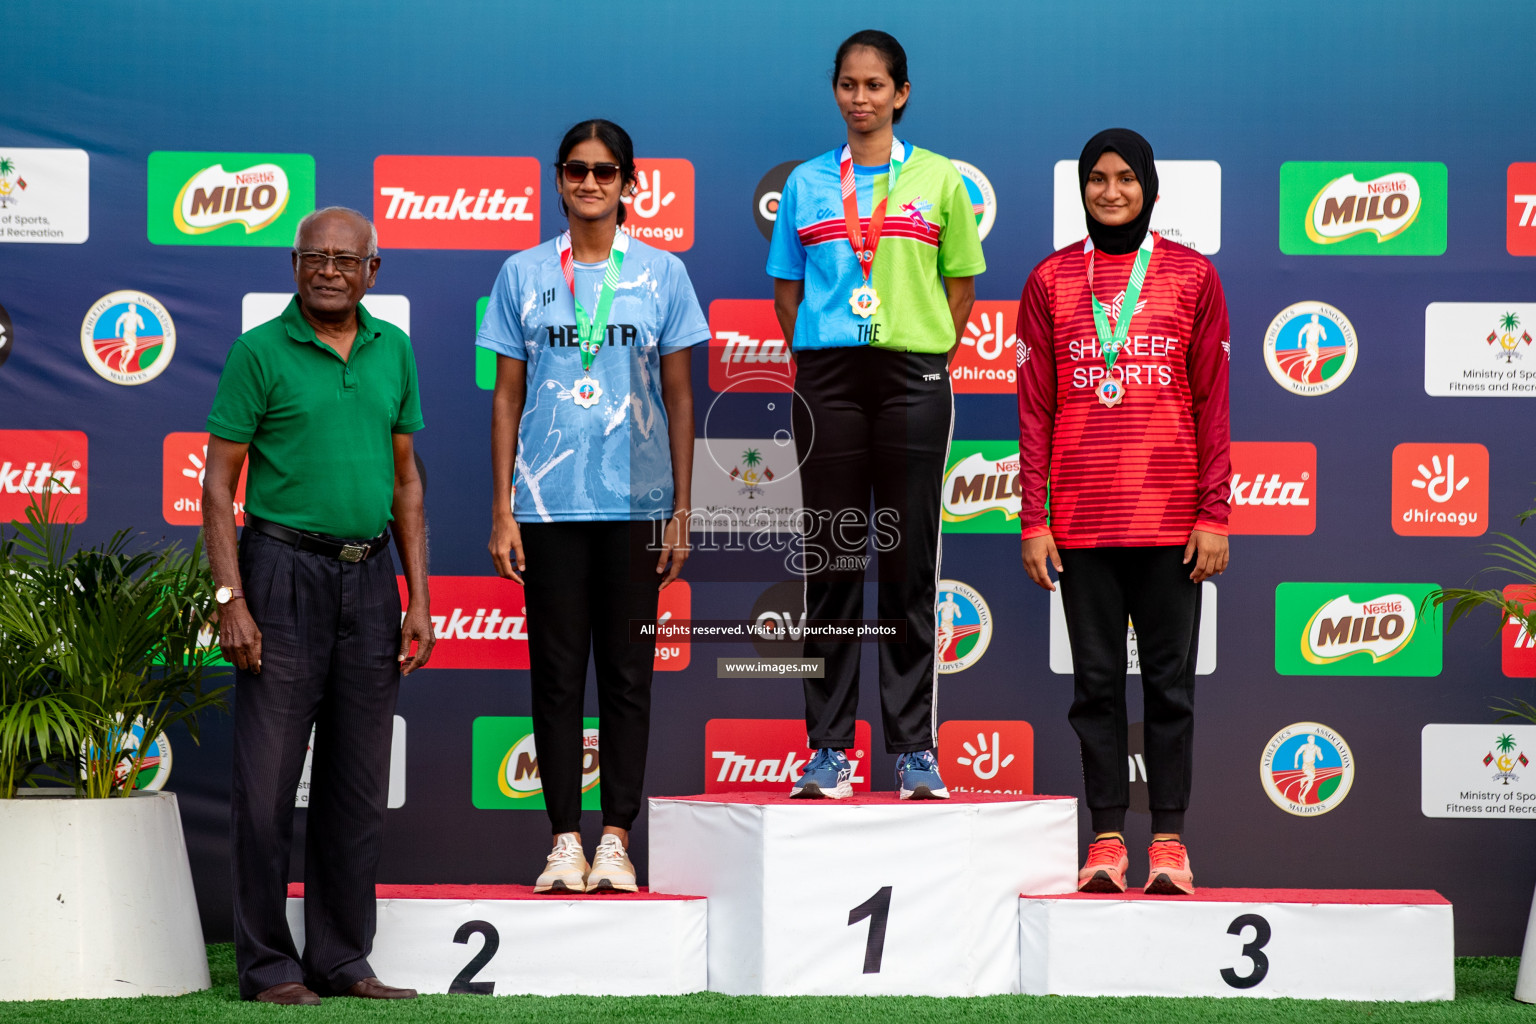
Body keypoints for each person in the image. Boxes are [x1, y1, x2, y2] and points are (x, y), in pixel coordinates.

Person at [202, 206, 435, 1004]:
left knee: (357, 788)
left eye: (346, 258)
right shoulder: (258, 351)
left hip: (371, 581)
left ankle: (341, 959)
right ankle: (267, 967)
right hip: (280, 573)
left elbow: (406, 481)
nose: (329, 269)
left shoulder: (393, 349)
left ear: (375, 270)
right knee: (265, 790)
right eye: (315, 257)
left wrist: (418, 597)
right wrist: (231, 598)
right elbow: (216, 484)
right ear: (292, 264)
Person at [480, 120, 707, 893]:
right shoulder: (520, 273)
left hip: (636, 502)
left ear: (626, 182)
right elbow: (506, 396)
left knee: (627, 675)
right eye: (575, 170)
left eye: (604, 171)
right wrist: (503, 507)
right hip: (546, 505)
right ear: (558, 179)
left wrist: (680, 504)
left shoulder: (662, 275)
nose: (588, 183)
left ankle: (615, 838)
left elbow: (680, 396)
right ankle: (562, 842)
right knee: (555, 675)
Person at [767, 30, 985, 800]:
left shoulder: (940, 180)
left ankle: (913, 749)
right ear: (836, 92)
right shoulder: (806, 183)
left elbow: (959, 284)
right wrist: (820, 352)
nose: (861, 98)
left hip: (911, 377)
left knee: (906, 568)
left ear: (902, 93)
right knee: (830, 566)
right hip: (827, 376)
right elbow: (787, 289)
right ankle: (828, 750)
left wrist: (927, 351)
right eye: (849, 85)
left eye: (875, 85)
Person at [1016, 129, 1230, 896]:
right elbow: (1035, 410)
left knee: (1171, 688)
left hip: (1173, 523)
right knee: (1096, 689)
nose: (1111, 192)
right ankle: (1105, 839)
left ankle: (1168, 843)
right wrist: (1032, 520)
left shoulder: (1192, 277)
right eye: (1097, 180)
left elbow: (1213, 401)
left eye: (1125, 179)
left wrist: (1216, 513)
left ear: (1150, 189)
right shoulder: (1049, 281)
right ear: (1082, 189)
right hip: (1081, 522)